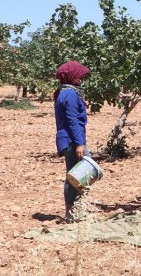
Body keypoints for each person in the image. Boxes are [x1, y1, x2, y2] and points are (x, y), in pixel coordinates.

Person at [54, 61, 91, 221]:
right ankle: (71, 213)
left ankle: (76, 210)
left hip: (70, 139)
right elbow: (72, 120)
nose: (81, 79)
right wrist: (80, 144)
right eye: (80, 76)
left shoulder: (65, 92)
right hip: (72, 140)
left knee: (78, 175)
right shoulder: (69, 94)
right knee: (77, 176)